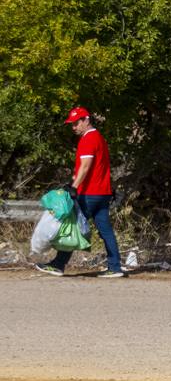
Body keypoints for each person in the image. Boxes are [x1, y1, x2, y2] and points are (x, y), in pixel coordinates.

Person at [38, 106, 122, 278]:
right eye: (72, 124)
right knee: (106, 230)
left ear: (86, 120)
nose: (73, 127)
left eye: (76, 123)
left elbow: (85, 167)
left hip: (89, 193)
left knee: (70, 226)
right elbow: (101, 167)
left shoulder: (88, 139)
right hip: (103, 192)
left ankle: (58, 265)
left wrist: (74, 187)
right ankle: (115, 267)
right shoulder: (99, 138)